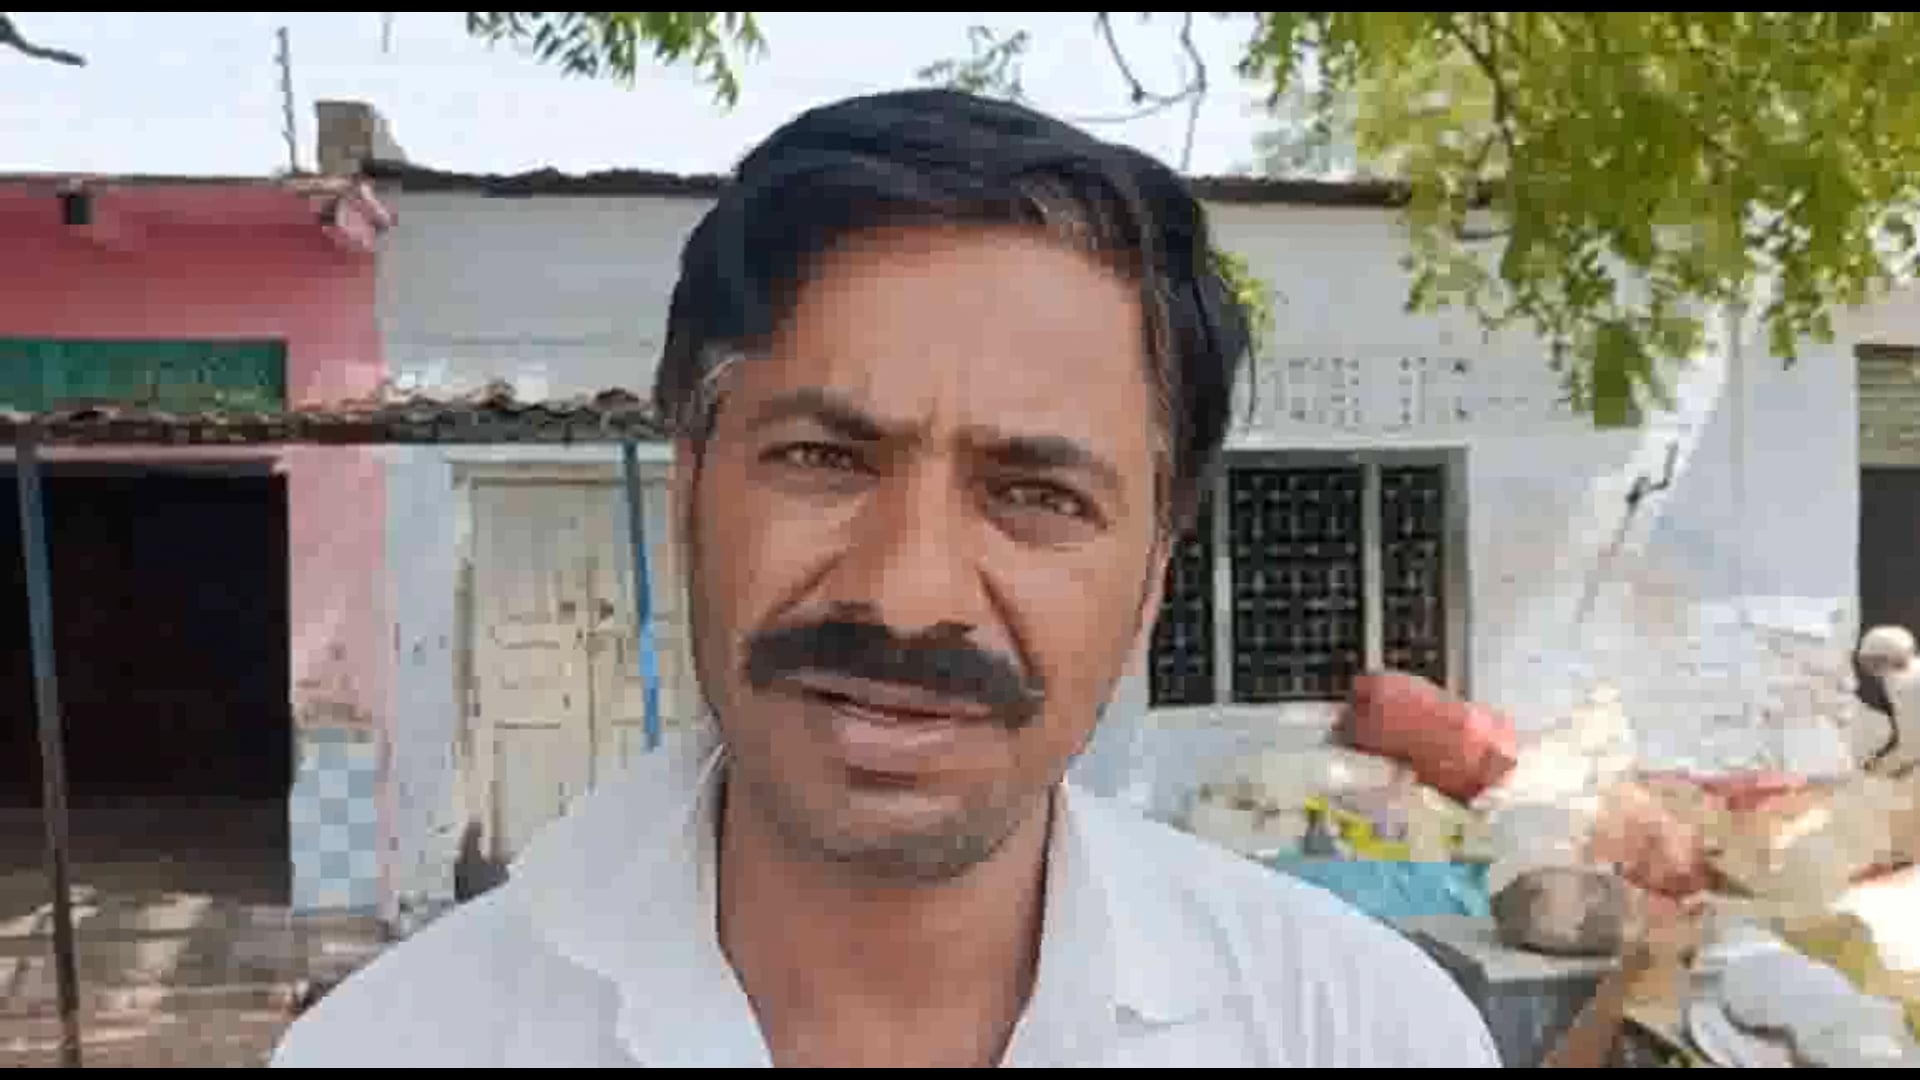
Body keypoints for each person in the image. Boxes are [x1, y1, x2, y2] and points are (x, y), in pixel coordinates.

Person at [270, 87, 1500, 1069]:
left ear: (1151, 587)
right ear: (690, 492)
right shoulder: (394, 1047)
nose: (909, 596)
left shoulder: (1358, 1035)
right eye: (823, 458)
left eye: (1037, 496)